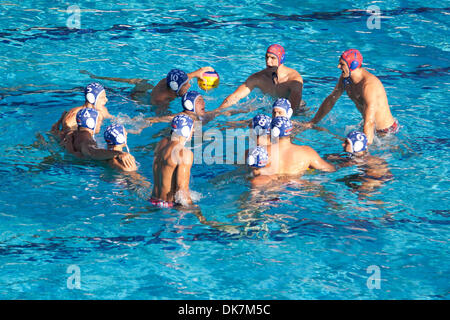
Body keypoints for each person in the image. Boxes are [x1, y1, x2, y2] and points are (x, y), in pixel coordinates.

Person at [305, 49, 398, 144]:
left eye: (342, 64)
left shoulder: (369, 86)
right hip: (368, 126)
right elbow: (331, 100)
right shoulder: (345, 79)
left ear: (353, 65)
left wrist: (364, 149)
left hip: (385, 133)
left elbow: (370, 121)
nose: (338, 67)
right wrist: (312, 122)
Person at [217, 44, 304, 113]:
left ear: (281, 59)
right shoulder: (259, 78)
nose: (268, 62)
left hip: (297, 111)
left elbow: (293, 110)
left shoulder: (293, 80)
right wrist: (217, 111)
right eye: (267, 57)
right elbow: (235, 96)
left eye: (273, 58)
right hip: (271, 109)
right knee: (239, 111)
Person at [250, 116, 335, 186]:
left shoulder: (259, 151)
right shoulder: (307, 152)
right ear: (291, 130)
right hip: (295, 189)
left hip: (269, 188)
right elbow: (330, 169)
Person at [80, 67, 215, 108]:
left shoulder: (170, 80)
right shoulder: (161, 100)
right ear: (176, 88)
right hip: (139, 98)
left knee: (142, 81)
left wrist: (199, 73)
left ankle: (96, 76)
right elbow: (162, 118)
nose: (190, 85)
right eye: (186, 85)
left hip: (145, 88)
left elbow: (187, 77)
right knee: (128, 95)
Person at [327, 131, 393, 197]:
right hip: (382, 176)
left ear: (356, 146)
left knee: (360, 197)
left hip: (375, 179)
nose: (343, 144)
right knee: (344, 180)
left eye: (347, 143)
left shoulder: (359, 160)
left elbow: (335, 167)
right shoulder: (364, 156)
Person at [63, 108, 134, 167]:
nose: (101, 123)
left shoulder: (73, 134)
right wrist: (119, 153)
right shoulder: (87, 140)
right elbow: (92, 152)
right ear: (90, 123)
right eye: (99, 121)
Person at [150, 114, 195, 208]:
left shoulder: (160, 144)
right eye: (192, 128)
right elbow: (182, 191)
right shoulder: (184, 153)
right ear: (185, 130)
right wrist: (195, 210)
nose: (193, 131)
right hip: (169, 207)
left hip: (152, 201)